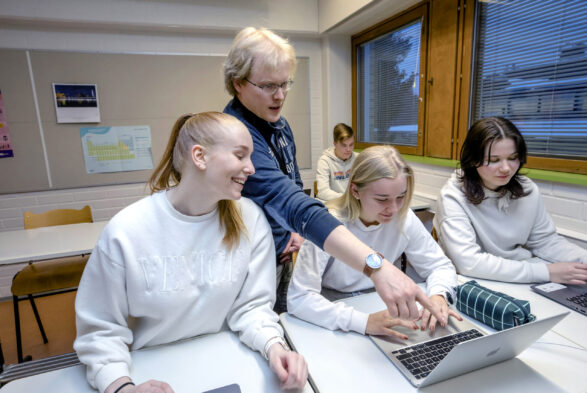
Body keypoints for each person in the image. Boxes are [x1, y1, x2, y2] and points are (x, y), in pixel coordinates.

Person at [223, 26, 445, 323]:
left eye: (285, 83)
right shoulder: (237, 136)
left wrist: (292, 230)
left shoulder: (278, 123)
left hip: (282, 254)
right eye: (267, 86)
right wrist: (376, 267)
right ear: (238, 83)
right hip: (252, 263)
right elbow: (285, 199)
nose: (280, 96)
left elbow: (293, 185)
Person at [74, 112, 308, 393]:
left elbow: (253, 308)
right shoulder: (127, 231)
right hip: (151, 373)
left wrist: (275, 346)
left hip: (227, 364)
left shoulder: (251, 220)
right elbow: (100, 330)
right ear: (200, 156)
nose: (251, 168)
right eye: (240, 156)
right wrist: (121, 387)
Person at [288, 146, 460, 337]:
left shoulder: (404, 218)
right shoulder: (326, 223)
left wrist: (438, 295)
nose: (393, 208)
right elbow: (299, 299)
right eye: (382, 199)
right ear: (355, 190)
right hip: (336, 311)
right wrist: (363, 322)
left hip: (382, 303)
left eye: (401, 197)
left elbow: (440, 266)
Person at [434, 116, 587, 284]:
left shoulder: (527, 189)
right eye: (494, 160)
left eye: (513, 158)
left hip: (521, 274)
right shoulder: (453, 196)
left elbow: (545, 241)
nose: (506, 168)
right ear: (473, 160)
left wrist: (582, 258)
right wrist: (546, 272)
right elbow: (469, 263)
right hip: (475, 281)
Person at [315, 123, 357, 202]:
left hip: (352, 203)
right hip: (333, 203)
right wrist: (347, 198)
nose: (348, 149)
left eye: (351, 145)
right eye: (344, 145)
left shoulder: (358, 159)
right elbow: (323, 192)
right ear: (335, 144)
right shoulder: (325, 161)